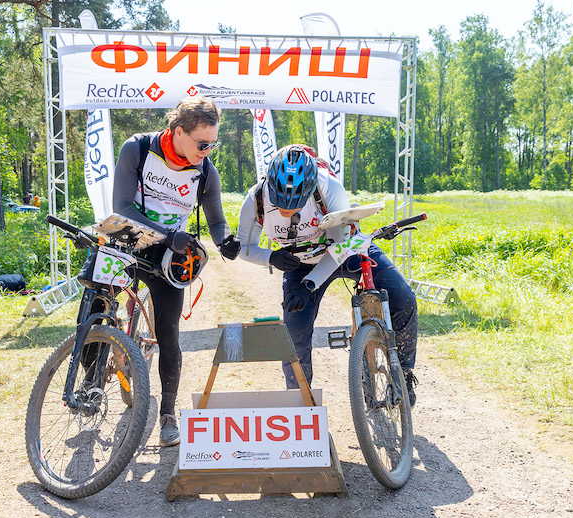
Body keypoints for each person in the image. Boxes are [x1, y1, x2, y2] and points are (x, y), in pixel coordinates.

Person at [236, 145, 420, 406]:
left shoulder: (329, 187)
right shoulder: (256, 198)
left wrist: (308, 285)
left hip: (347, 250)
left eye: (296, 203)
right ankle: (299, 402)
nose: (286, 210)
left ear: (311, 187)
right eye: (280, 201)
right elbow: (244, 247)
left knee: (404, 298)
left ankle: (404, 372)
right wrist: (271, 257)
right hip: (300, 263)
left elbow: (339, 248)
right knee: (294, 333)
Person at [113, 95, 241, 446]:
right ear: (179, 131)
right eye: (202, 144)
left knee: (169, 334)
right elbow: (121, 206)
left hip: (167, 255)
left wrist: (225, 241)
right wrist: (168, 234)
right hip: (128, 238)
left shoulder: (205, 171)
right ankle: (90, 374)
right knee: (96, 295)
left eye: (213, 144)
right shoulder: (138, 149)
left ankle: (167, 414)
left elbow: (216, 221)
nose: (208, 151)